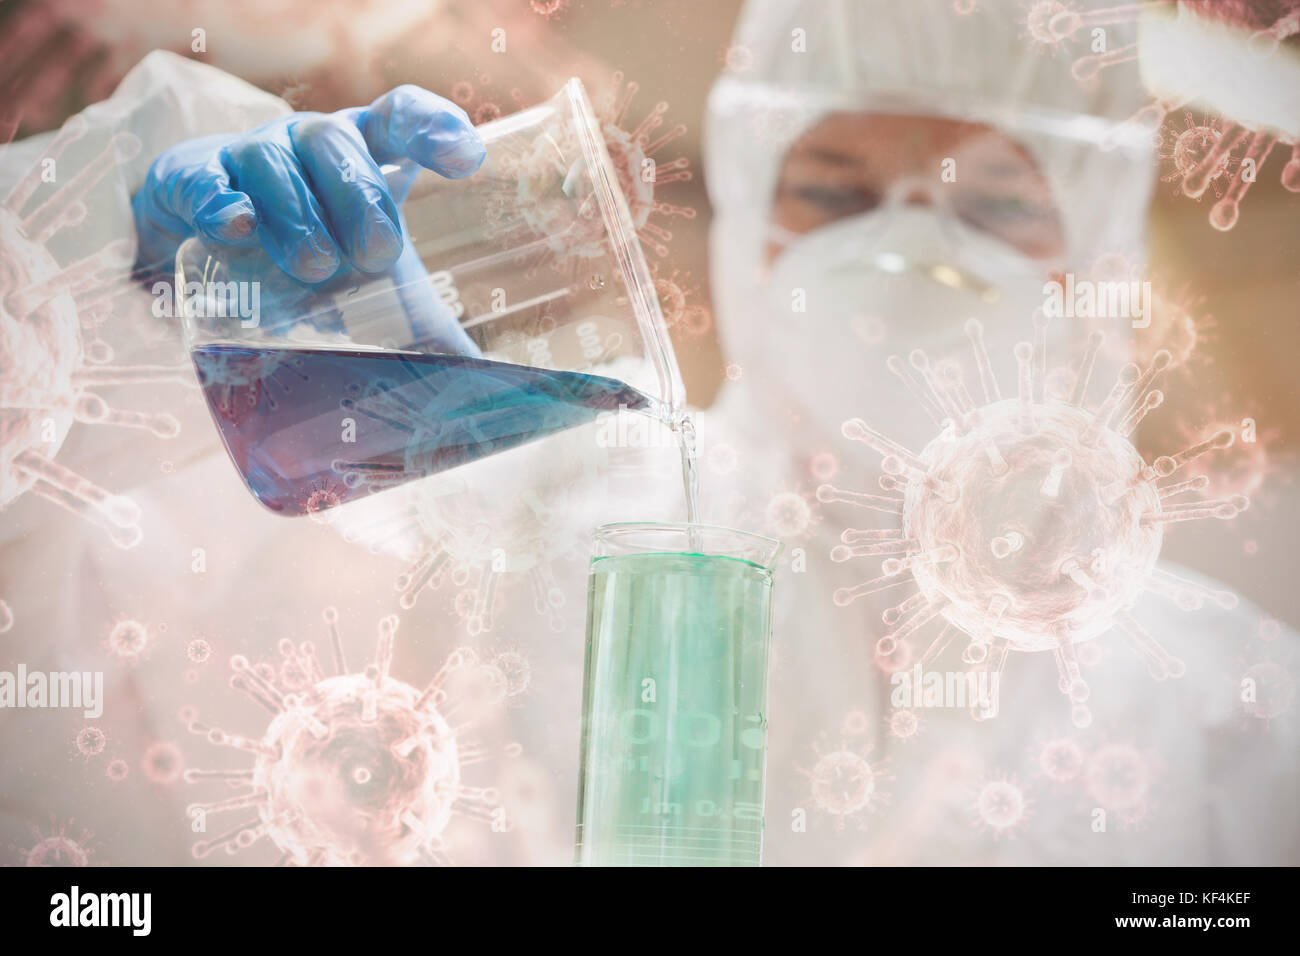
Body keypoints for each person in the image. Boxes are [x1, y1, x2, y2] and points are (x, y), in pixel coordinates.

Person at [0, 1, 1295, 866]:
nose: (907, 248)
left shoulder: (1228, 709)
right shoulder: (520, 502)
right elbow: (71, 702)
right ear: (743, 215)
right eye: (835, 188)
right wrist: (86, 333)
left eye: (993, 204)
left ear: (1103, 249)